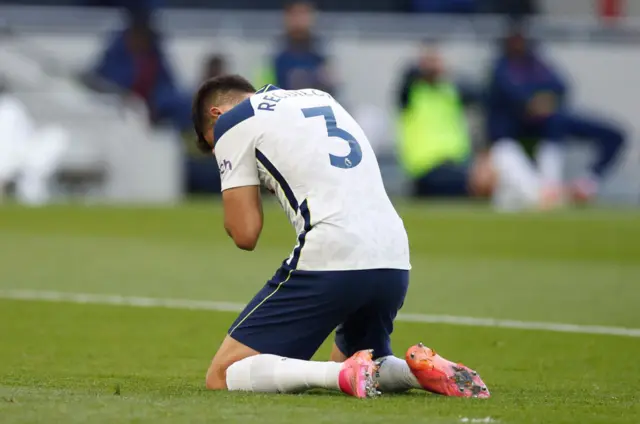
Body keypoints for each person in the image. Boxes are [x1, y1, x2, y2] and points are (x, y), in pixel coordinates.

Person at [191, 75, 490, 398]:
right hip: (393, 255)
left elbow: (245, 233)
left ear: (217, 116)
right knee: (358, 360)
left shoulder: (233, 121)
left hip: (334, 250)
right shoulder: (319, 98)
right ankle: (414, 372)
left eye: (214, 148)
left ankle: (342, 374)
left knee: (222, 374)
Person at [487, 26, 625, 210]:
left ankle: (585, 185)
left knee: (614, 135)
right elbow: (510, 93)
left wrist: (545, 101)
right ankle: (546, 188)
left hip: (551, 122)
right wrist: (530, 102)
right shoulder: (501, 67)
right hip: (516, 127)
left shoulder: (537, 64)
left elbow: (560, 86)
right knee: (506, 149)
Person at [397, 43, 495, 198]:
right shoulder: (411, 93)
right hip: (426, 167)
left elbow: (482, 96)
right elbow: (407, 77)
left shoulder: (450, 91)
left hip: (456, 163)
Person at [87, 6, 191, 131]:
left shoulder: (154, 55)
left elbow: (167, 84)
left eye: (144, 36)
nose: (141, 40)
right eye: (137, 35)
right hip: (123, 107)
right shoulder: (115, 57)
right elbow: (102, 82)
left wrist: (156, 104)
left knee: (187, 104)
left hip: (151, 105)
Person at [258, 1, 335, 94]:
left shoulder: (323, 51)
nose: (299, 20)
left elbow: (332, 86)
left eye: (304, 13)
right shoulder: (275, 51)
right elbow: (263, 85)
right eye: (295, 14)